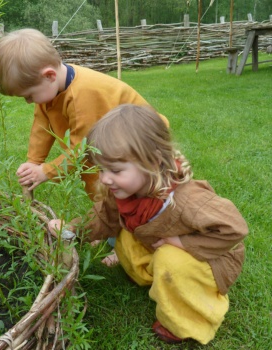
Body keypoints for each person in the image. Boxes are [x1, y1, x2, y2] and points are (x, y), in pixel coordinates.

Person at [48, 104, 248, 345]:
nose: (105, 178)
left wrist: (180, 242)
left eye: (115, 170)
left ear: (152, 162)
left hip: (210, 259)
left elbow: (234, 228)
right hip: (158, 243)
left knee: (170, 261)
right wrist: (71, 230)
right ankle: (150, 276)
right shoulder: (125, 190)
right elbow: (104, 217)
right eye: (101, 169)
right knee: (126, 236)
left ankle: (188, 320)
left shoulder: (187, 200)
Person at [0, 28, 169, 200]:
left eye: (29, 95)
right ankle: (109, 215)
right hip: (117, 143)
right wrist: (34, 161)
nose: (28, 101)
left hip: (145, 144)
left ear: (49, 76)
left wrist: (46, 172)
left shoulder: (82, 95)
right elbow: (42, 126)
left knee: (136, 190)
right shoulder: (50, 89)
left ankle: (113, 216)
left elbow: (82, 150)